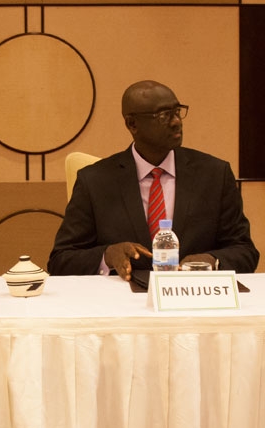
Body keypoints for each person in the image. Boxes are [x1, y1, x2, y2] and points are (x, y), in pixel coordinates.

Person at [48, 80, 259, 280]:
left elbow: (245, 251)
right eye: (164, 115)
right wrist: (107, 255)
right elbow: (61, 260)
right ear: (132, 124)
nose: (176, 122)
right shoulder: (95, 181)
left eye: (177, 112)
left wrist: (211, 261)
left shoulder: (214, 174)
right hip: (123, 298)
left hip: (193, 296)